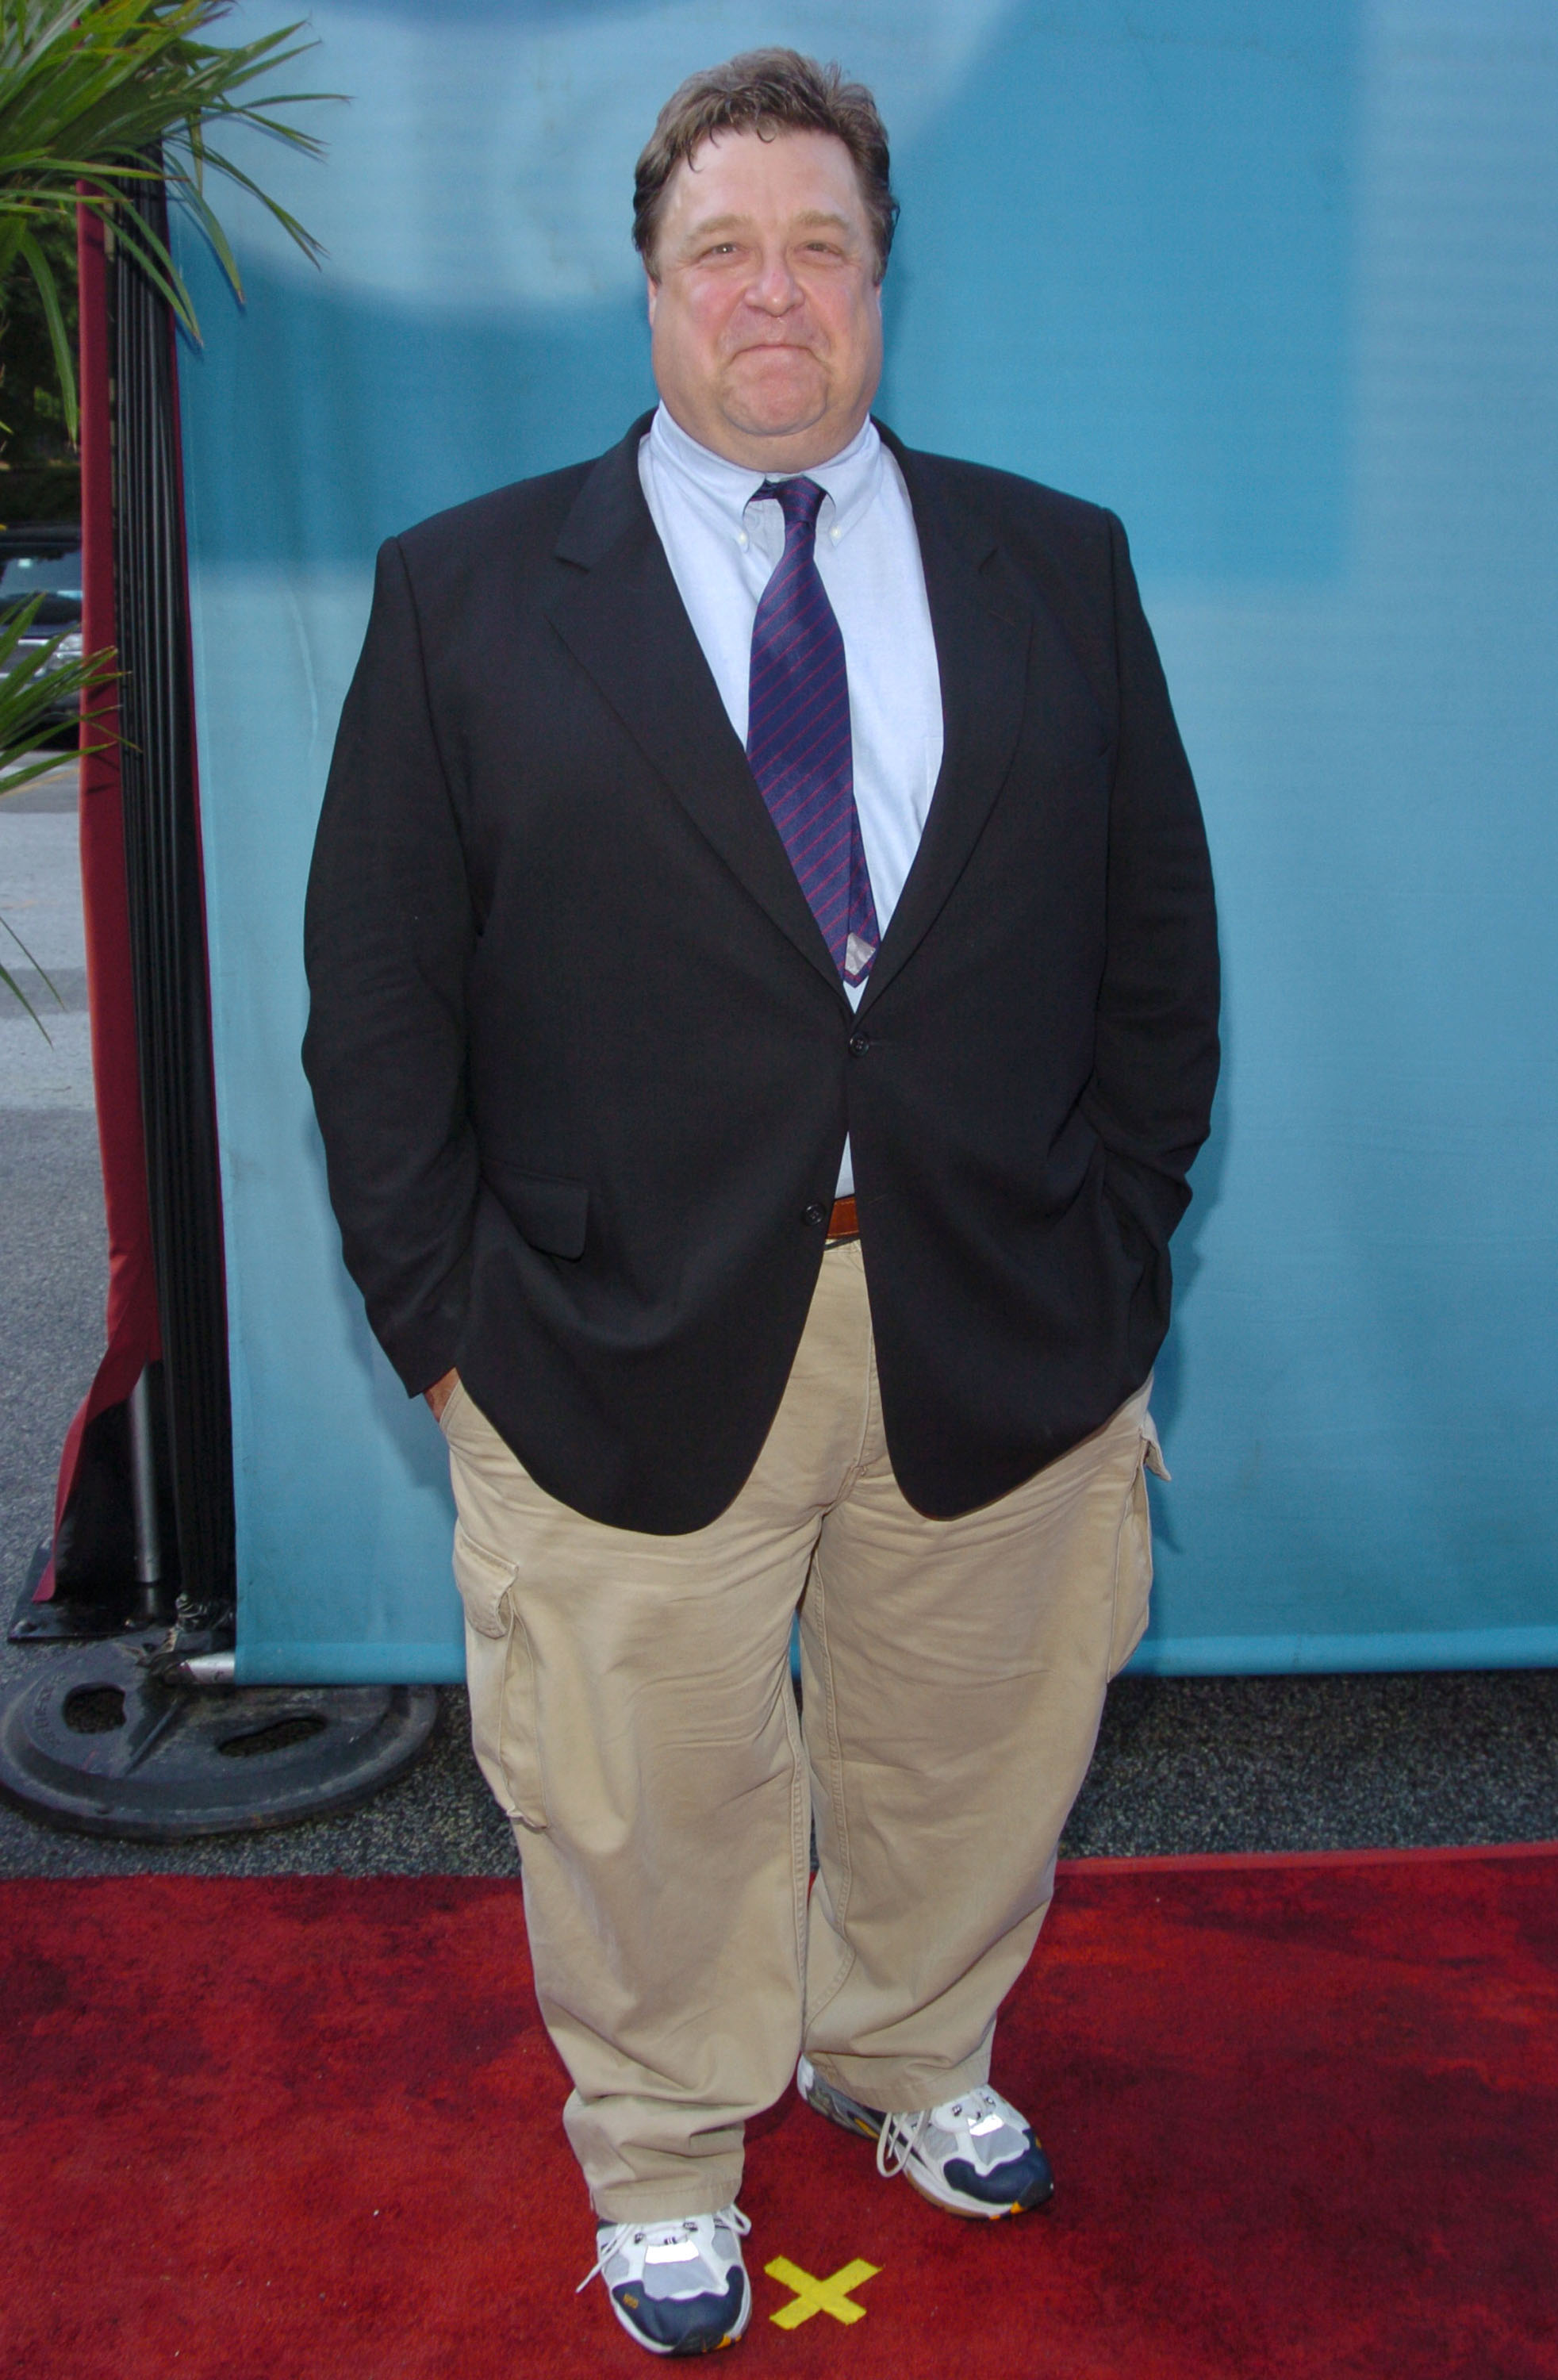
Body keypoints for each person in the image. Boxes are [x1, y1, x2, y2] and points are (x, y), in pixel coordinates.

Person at [304, 48, 1218, 2358]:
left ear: (882, 279)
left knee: (971, 1746)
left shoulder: (1055, 563)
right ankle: (666, 2148)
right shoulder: (468, 593)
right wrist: (445, 1324)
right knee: (641, 1793)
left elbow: (1155, 956)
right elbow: (378, 1003)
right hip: (603, 1333)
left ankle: (906, 2049)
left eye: (820, 245)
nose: (774, 293)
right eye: (724, 249)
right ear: (648, 287)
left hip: (999, 1309)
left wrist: (1111, 1252)